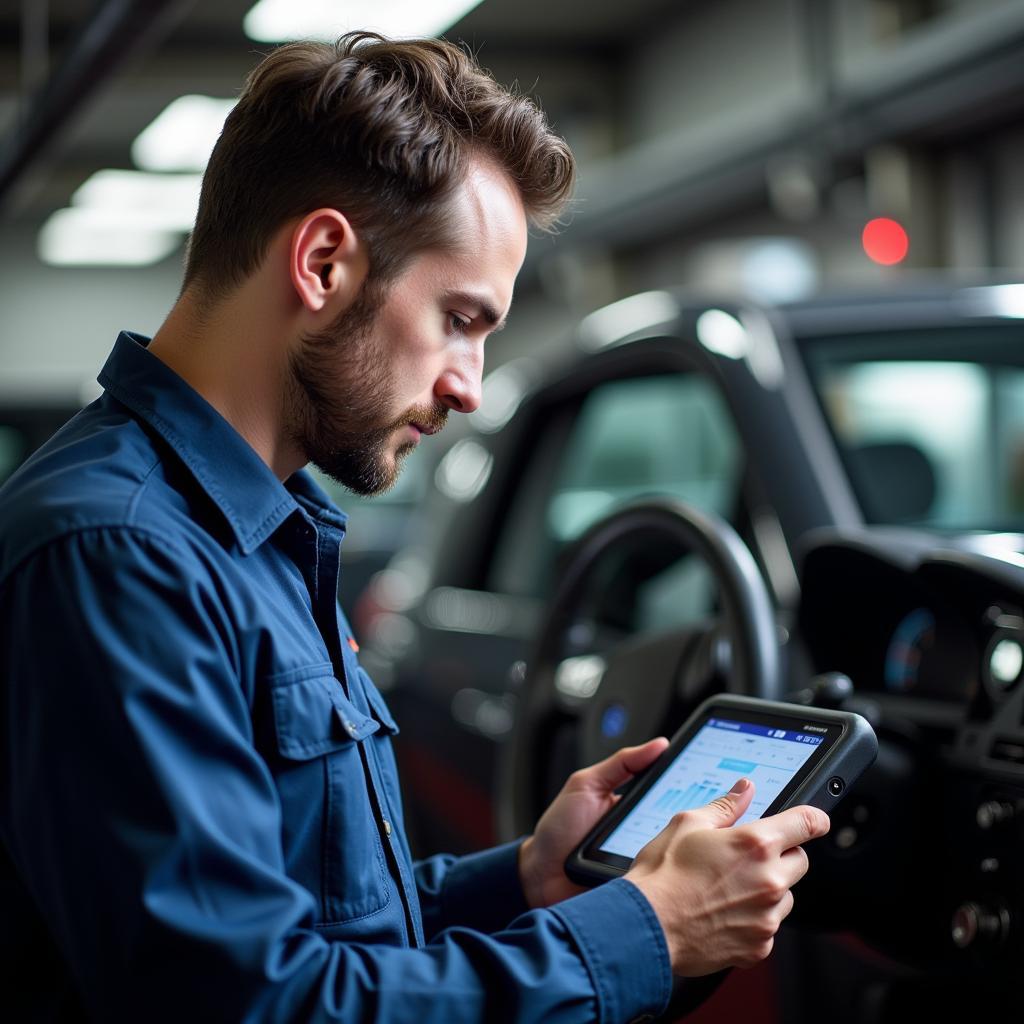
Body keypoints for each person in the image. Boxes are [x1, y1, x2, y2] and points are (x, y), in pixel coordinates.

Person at [0, 32, 829, 1022]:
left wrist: (524, 879)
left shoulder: (262, 534)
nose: (469, 388)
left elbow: (312, 927)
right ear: (321, 262)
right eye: (461, 319)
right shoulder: (120, 552)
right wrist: (642, 933)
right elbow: (250, 1004)